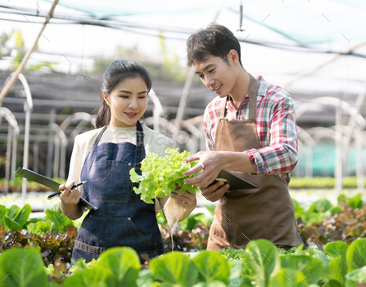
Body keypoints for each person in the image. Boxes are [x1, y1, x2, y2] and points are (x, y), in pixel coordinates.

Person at [59, 60, 197, 263]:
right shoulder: (85, 141)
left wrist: (186, 204)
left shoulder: (160, 143)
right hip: (91, 254)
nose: (134, 105)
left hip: (143, 256)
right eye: (124, 96)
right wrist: (66, 200)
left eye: (142, 97)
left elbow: (171, 212)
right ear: (106, 97)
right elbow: (73, 213)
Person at [182, 23, 303, 250]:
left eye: (211, 70)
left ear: (233, 57)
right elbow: (215, 171)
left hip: (271, 235)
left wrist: (223, 159)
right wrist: (208, 187)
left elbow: (287, 155)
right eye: (200, 75)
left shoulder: (275, 99)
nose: (208, 82)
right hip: (224, 236)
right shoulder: (211, 112)